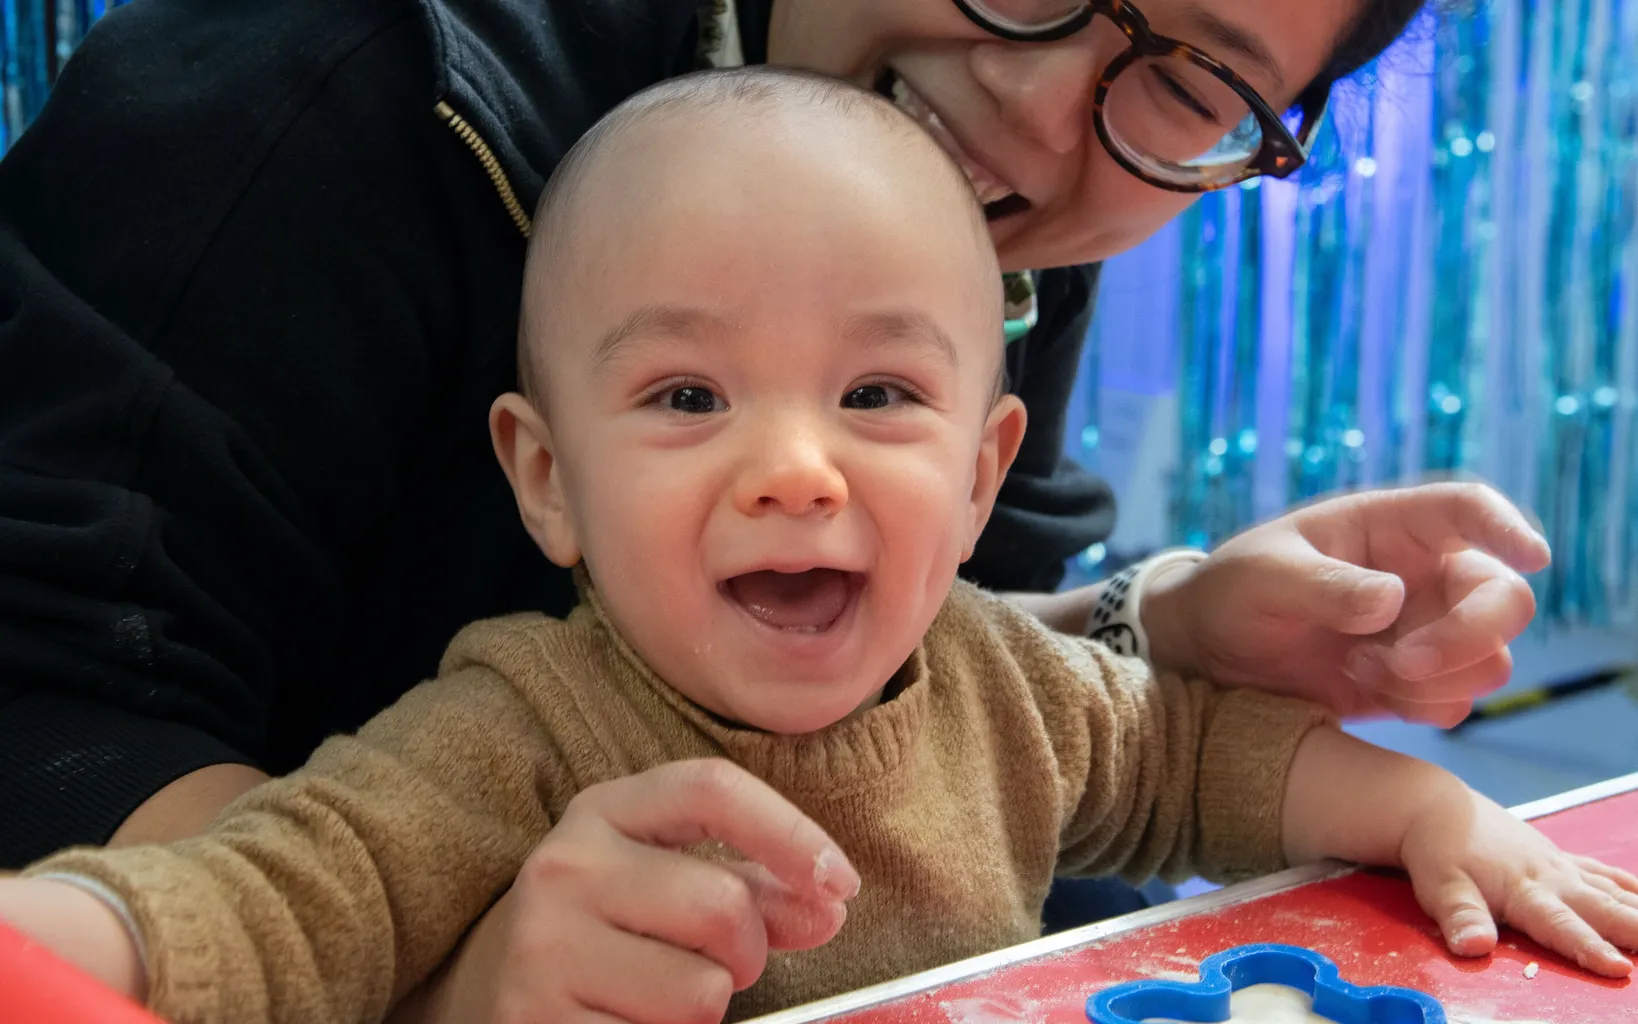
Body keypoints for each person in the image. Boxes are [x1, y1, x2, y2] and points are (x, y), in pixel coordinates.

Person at [2, 69, 1632, 1024]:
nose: (793, 470)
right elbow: (271, 900)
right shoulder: (513, 733)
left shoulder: (1009, 683)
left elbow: (1202, 757)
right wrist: (54, 937)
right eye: (689, 393)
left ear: (986, 466)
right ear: (546, 477)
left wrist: (1426, 810)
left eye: (873, 392)